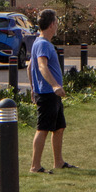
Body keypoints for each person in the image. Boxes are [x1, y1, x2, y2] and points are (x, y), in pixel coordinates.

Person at [27, 10, 72, 174]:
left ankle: (58, 162)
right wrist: (54, 86)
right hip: (48, 94)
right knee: (43, 129)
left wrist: (33, 88)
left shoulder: (40, 43)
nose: (57, 26)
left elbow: (29, 67)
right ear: (52, 24)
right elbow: (41, 66)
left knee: (59, 127)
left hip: (51, 95)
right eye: (57, 23)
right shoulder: (43, 44)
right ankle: (35, 166)